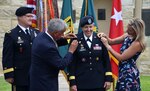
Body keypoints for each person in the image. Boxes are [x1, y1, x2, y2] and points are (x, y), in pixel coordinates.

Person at [29, 18, 78, 91]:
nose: (63, 34)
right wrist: (71, 51)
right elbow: (61, 65)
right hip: (45, 84)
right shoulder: (47, 47)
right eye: (62, 33)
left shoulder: (42, 35)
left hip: (37, 79)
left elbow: (52, 41)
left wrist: (64, 38)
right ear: (55, 33)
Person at [98, 18, 146, 91]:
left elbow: (121, 57)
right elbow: (111, 41)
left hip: (129, 74)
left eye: (129, 30)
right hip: (122, 71)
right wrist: (104, 36)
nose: (127, 31)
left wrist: (107, 46)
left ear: (136, 31)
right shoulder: (127, 36)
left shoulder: (137, 43)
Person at [68, 16, 113, 91]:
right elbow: (72, 63)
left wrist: (108, 79)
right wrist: (72, 82)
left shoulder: (100, 39)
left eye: (90, 27)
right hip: (81, 82)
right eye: (86, 27)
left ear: (93, 27)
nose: (88, 29)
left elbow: (106, 60)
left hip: (99, 81)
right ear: (82, 28)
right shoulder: (75, 40)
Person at [2, 6, 40, 91]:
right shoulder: (11, 35)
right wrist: (8, 74)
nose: (31, 18)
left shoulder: (36, 32)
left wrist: (64, 40)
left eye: (31, 16)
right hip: (20, 76)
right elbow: (7, 56)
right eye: (28, 16)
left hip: (36, 75)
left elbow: (46, 45)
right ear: (19, 17)